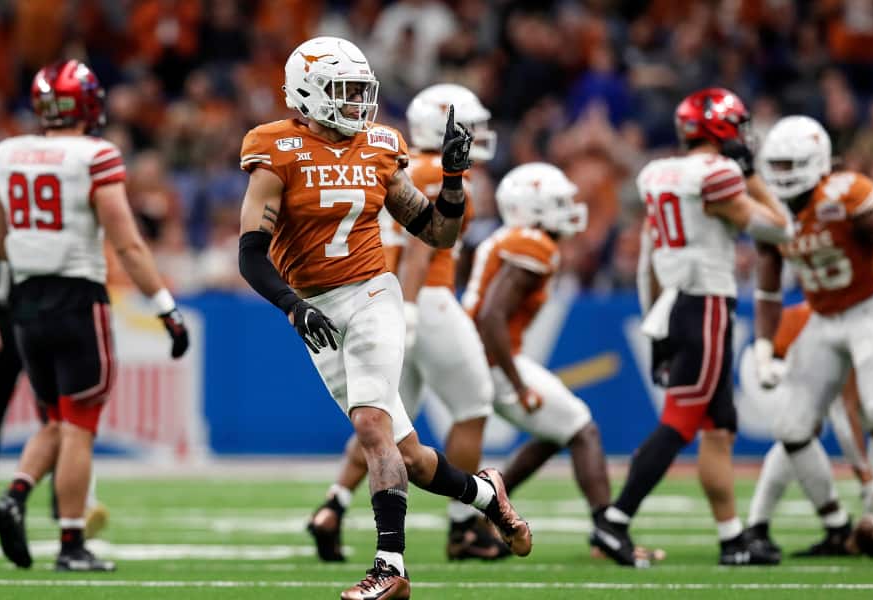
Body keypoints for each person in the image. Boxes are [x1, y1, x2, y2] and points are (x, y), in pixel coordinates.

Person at [236, 37, 531, 600]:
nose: (356, 105)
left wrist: (451, 181)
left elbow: (436, 233)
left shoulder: (379, 146)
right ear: (307, 92)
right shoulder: (275, 149)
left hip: (373, 293)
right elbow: (252, 252)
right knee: (413, 458)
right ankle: (487, 494)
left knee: (371, 427)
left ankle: (389, 567)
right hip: (314, 305)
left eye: (359, 92)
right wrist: (294, 305)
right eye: (343, 92)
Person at [0, 59, 190, 572]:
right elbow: (129, 245)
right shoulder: (95, 154)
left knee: (55, 418)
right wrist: (165, 307)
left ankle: (13, 495)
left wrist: (37, 253)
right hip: (77, 299)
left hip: (26, 303)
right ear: (87, 104)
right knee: (79, 425)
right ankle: (71, 543)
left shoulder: (8, 153)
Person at [306, 83, 509, 562]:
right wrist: (415, 305)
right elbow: (424, 245)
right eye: (468, 123)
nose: (475, 133)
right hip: (425, 299)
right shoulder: (435, 169)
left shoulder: (391, 162)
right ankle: (465, 526)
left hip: (383, 302)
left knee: (386, 422)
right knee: (473, 404)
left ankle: (333, 505)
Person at [595, 88, 793, 567]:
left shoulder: (657, 173)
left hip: (674, 303)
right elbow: (779, 229)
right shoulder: (719, 174)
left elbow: (649, 260)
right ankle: (614, 521)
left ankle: (731, 540)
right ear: (721, 129)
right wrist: (752, 177)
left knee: (720, 427)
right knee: (681, 422)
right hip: (703, 303)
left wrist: (653, 321)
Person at [752, 114, 873, 557]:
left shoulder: (842, 196)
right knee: (792, 426)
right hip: (822, 321)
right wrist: (766, 350)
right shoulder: (771, 212)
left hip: (868, 312)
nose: (781, 176)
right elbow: (767, 288)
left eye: (790, 166)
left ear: (816, 162)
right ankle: (837, 526)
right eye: (776, 166)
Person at [462, 162, 618, 562]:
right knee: (582, 428)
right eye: (558, 202)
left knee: (557, 430)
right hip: (490, 360)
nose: (569, 209)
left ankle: (491, 510)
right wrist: (518, 384)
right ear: (530, 207)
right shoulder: (533, 243)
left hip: (481, 357)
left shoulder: (514, 237)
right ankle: (607, 529)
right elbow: (492, 315)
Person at [741, 287, 873, 556]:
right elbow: (844, 415)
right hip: (771, 362)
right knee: (799, 431)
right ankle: (810, 527)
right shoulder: (868, 323)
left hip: (797, 360)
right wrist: (867, 481)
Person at [0, 216, 108, 544]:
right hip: (6, 321)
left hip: (45, 317)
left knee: (65, 422)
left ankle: (68, 510)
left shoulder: (62, 208)